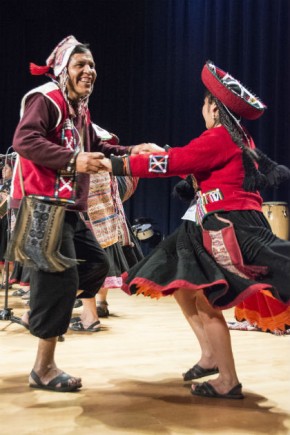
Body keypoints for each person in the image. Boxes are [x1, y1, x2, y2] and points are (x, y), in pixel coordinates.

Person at [99, 60, 290, 399]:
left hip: (229, 226)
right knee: (185, 286)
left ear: (214, 108)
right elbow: (190, 164)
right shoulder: (236, 138)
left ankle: (228, 380)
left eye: (204, 104)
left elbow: (179, 163)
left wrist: (117, 163)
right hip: (222, 221)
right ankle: (210, 356)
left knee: (206, 299)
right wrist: (164, 153)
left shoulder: (218, 137)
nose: (202, 110)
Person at [9, 35, 163, 392]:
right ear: (64, 69)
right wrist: (73, 159)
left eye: (92, 65)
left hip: (69, 207)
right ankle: (43, 367)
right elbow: (24, 140)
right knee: (59, 279)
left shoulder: (80, 110)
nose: (89, 71)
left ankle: (45, 306)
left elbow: (98, 147)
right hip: (42, 204)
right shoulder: (46, 99)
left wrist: (134, 151)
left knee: (97, 266)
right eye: (80, 64)